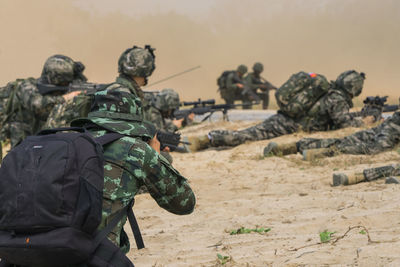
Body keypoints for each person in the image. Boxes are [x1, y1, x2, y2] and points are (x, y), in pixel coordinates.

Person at [70, 44, 195, 258]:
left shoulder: (69, 143)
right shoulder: (125, 97)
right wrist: (154, 155)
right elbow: (185, 203)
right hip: (95, 254)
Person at [188, 70, 366, 151]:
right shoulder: (338, 99)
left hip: (284, 118)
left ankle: (210, 138)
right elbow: (343, 122)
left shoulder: (329, 93)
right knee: (247, 136)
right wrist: (365, 122)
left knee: (249, 133)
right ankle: (209, 139)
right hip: (290, 125)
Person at [1, 55, 83, 147]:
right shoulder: (26, 87)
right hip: (9, 144)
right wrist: (67, 97)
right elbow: (38, 105)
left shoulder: (52, 94)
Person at [263, 111, 400, 160]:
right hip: (396, 125)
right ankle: (325, 153)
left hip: (392, 122)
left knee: (349, 140)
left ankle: (291, 147)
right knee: (375, 148)